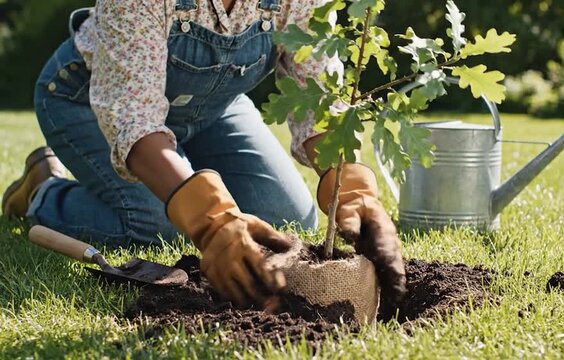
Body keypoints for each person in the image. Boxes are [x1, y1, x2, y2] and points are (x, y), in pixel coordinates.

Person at [2, 0, 405, 310]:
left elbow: (318, 97)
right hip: (91, 103)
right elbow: (136, 123)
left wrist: (351, 184)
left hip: (211, 108)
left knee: (287, 217)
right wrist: (210, 221)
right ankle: (45, 190)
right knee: (165, 223)